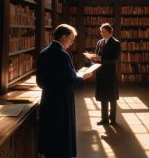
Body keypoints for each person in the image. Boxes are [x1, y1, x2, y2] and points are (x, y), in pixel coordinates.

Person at [36, 24, 92, 158]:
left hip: (48, 100)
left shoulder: (44, 52)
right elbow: (70, 82)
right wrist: (82, 78)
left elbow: (40, 82)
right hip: (61, 104)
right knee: (61, 141)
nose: (72, 43)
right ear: (63, 37)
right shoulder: (62, 55)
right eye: (71, 39)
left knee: (50, 140)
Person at [87, 23, 121, 125]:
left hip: (109, 73)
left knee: (112, 96)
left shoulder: (115, 43)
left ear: (110, 32)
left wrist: (100, 58)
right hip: (101, 72)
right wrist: (93, 59)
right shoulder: (99, 42)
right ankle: (104, 119)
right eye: (101, 31)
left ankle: (113, 119)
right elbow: (97, 56)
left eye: (104, 31)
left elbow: (114, 58)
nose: (101, 33)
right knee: (103, 96)